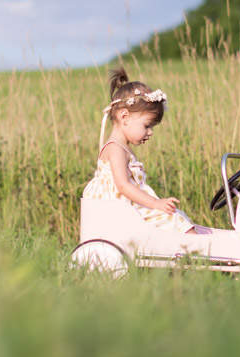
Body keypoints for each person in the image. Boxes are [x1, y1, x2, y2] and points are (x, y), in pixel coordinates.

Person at [83, 66, 198, 234]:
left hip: (129, 210)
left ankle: (198, 246)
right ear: (125, 117)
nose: (150, 132)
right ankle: (198, 249)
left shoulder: (123, 147)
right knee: (172, 218)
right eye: (146, 126)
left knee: (176, 216)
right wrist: (154, 203)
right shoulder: (116, 149)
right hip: (120, 214)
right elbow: (123, 186)